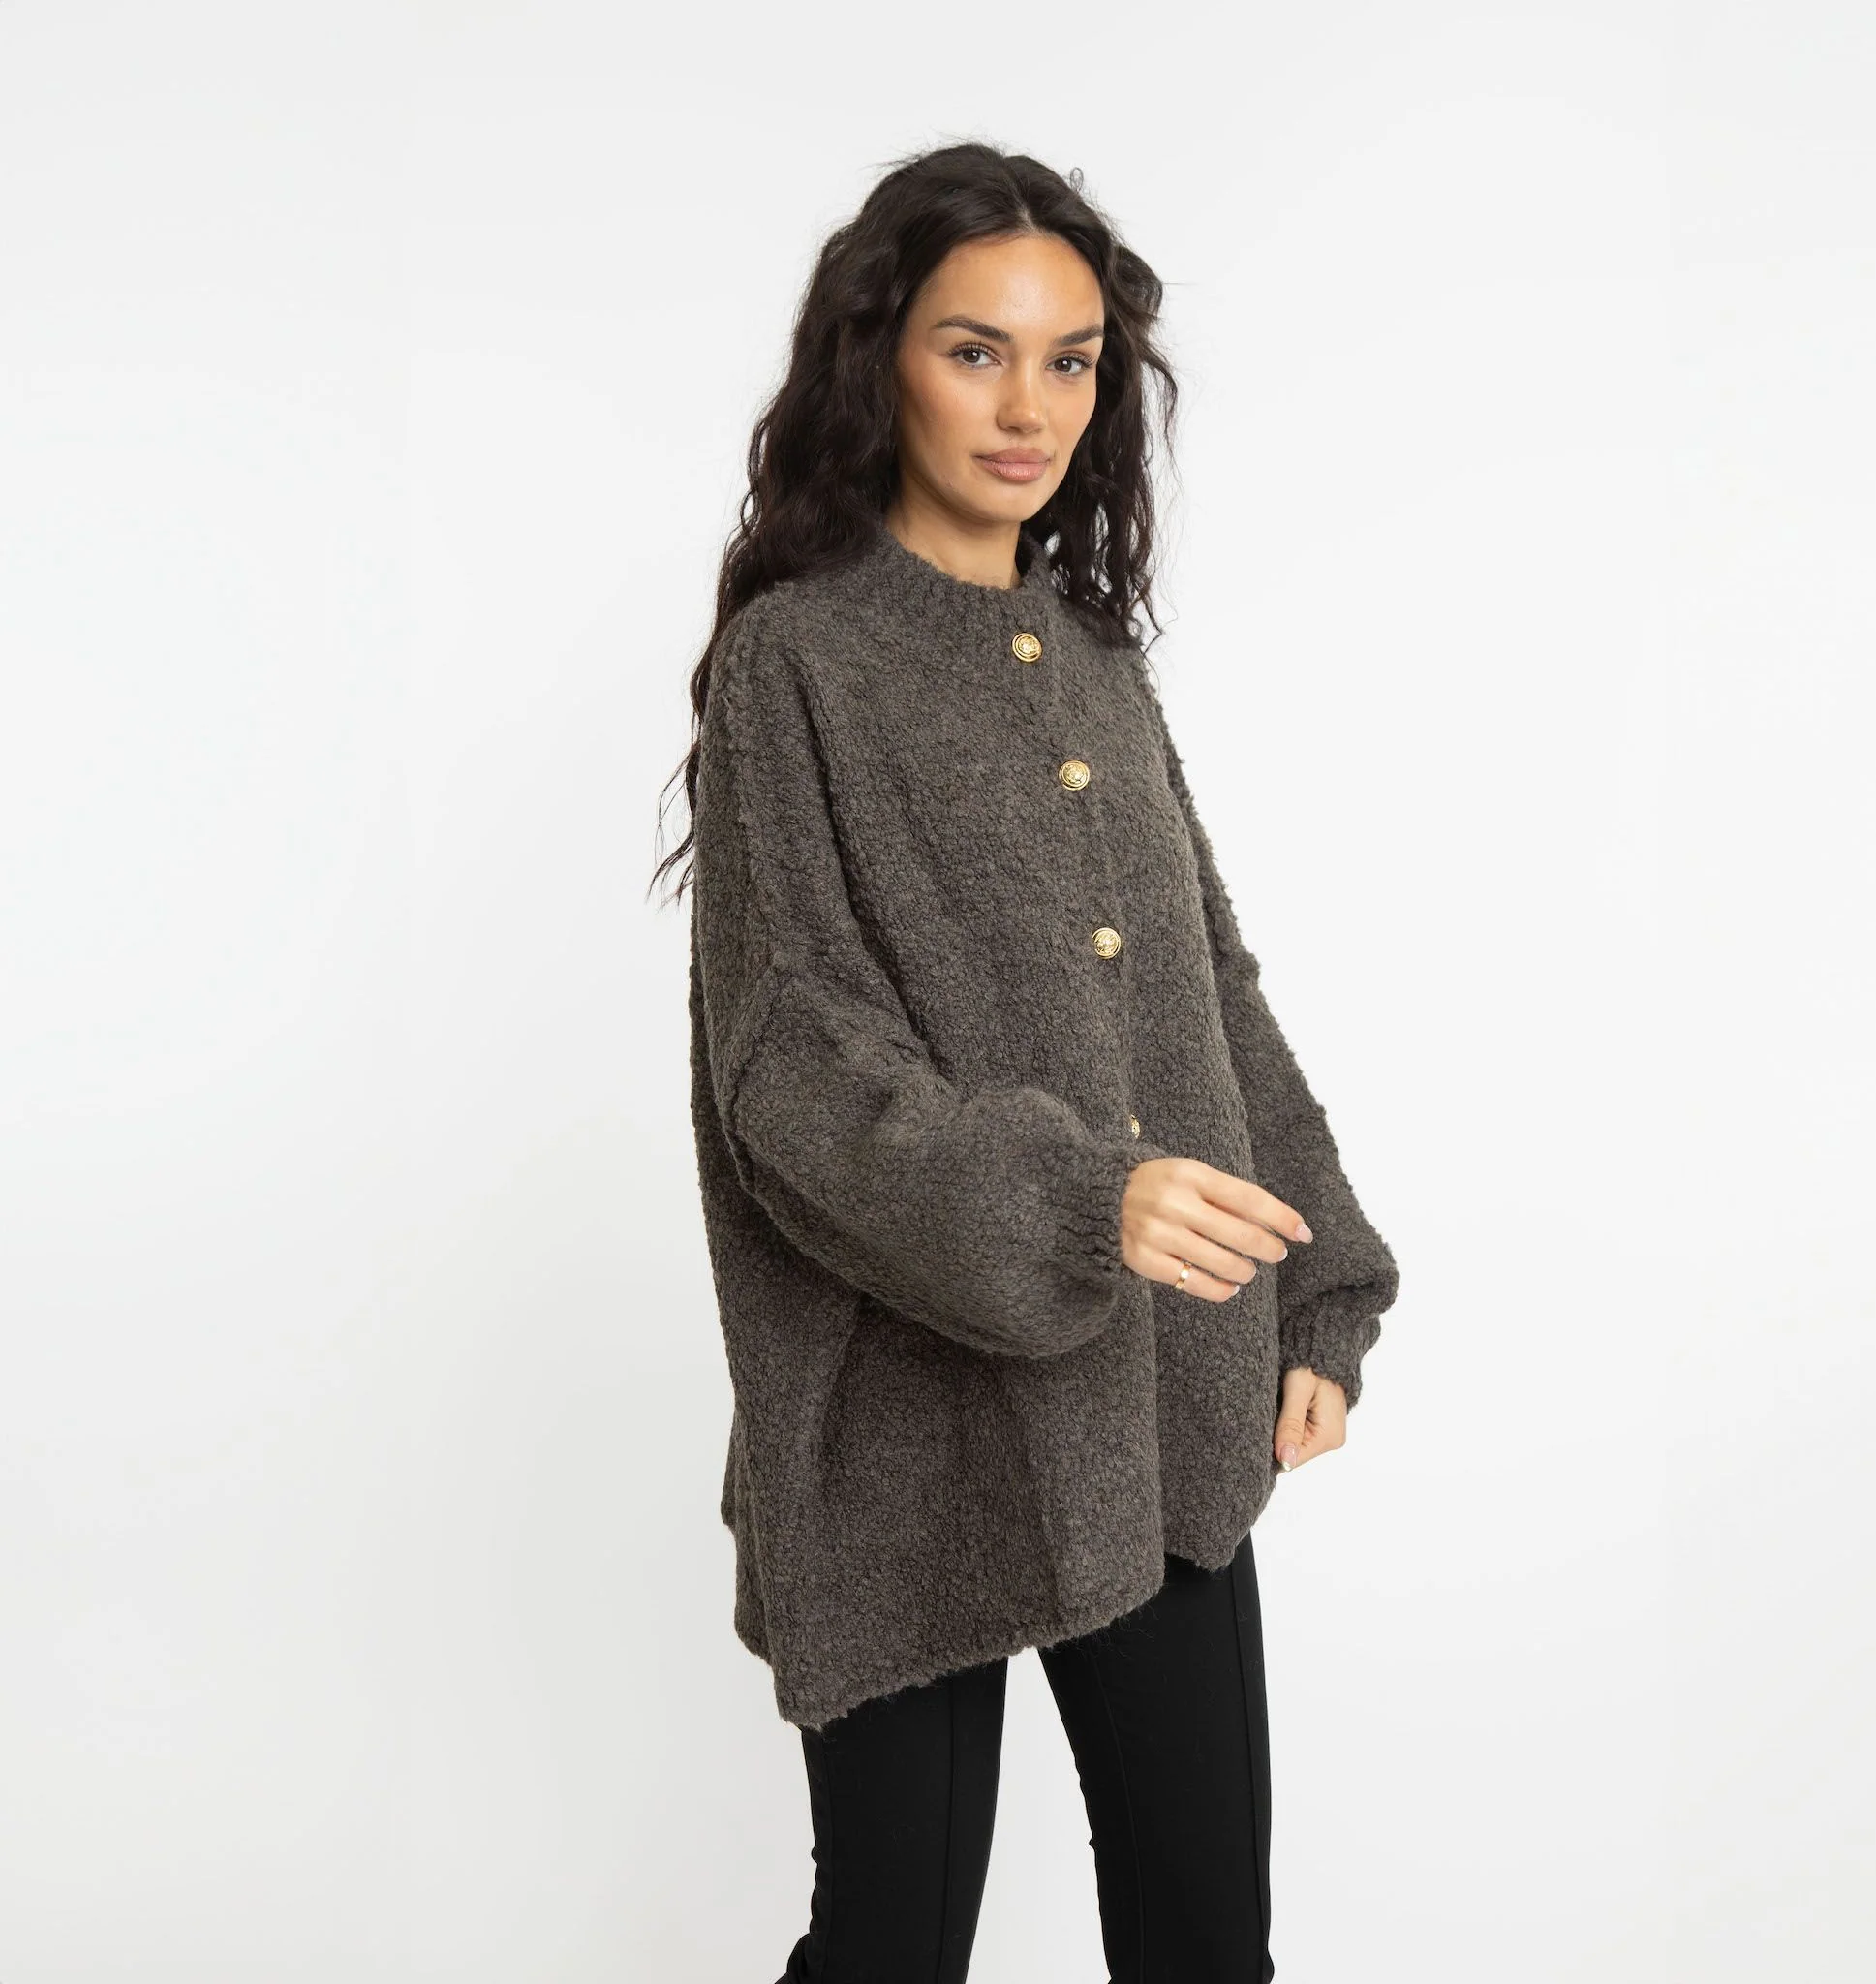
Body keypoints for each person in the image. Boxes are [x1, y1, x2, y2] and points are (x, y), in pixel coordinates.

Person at [653, 141, 1400, 1984]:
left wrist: (1318, 1285)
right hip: (906, 1432)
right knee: (892, 1947)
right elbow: (793, 1072)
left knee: (1207, 1938)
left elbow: (1211, 999)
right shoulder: (796, 667)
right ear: (877, 360)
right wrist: (1082, 1198)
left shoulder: (1094, 663)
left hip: (1162, 1406)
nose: (1029, 406)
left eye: (1069, 361)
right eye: (974, 350)